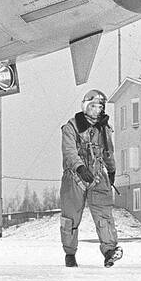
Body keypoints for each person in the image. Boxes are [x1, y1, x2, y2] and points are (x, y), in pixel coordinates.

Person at [60, 89, 122, 267]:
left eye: (100, 106)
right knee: (70, 217)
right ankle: (70, 253)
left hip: (97, 174)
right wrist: (79, 167)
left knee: (104, 215)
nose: (97, 110)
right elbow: (69, 150)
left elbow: (108, 152)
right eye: (93, 106)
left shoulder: (104, 128)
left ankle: (109, 249)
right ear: (86, 106)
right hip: (74, 176)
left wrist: (111, 172)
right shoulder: (71, 127)